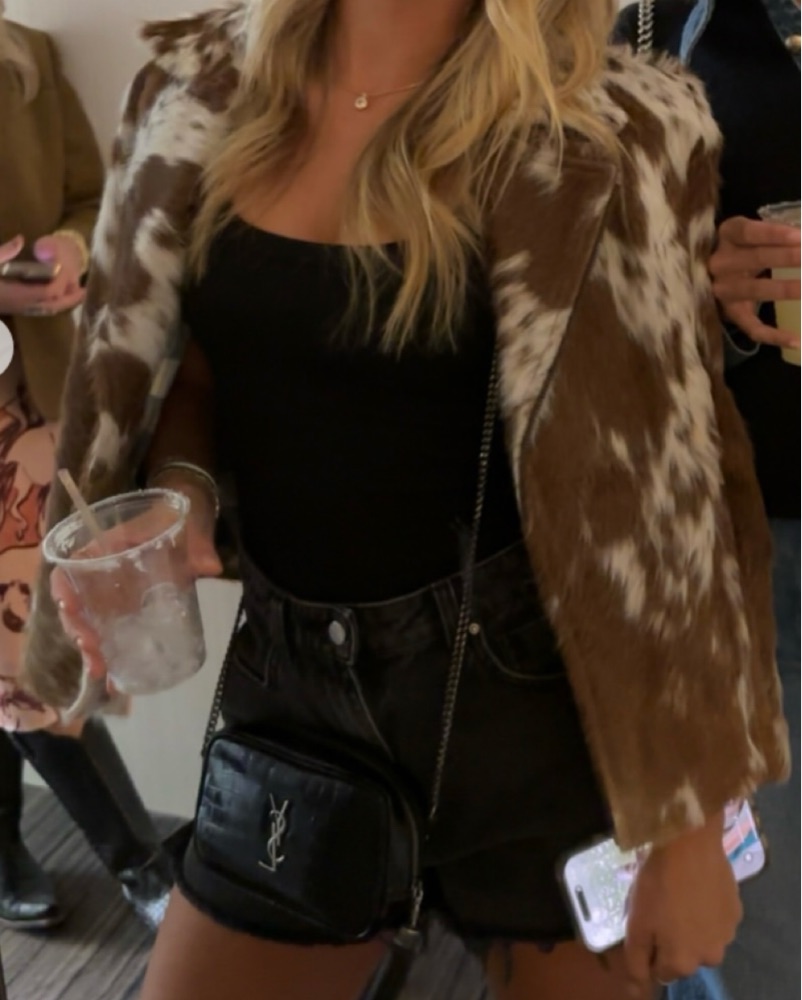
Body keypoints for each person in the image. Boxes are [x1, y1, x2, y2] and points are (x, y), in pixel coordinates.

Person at [27, 1, 790, 998]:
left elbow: (670, 490)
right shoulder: (193, 91)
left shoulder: (615, 123)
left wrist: (687, 825)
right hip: (293, 684)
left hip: (538, 702)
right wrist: (183, 491)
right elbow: (200, 368)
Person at [615, 3, 800, 999]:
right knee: (754, 938)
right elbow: (599, 312)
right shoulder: (652, 30)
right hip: (745, 546)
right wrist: (703, 289)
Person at [0, 11, 172, 931]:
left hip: (25, 400)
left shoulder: (23, 56)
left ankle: (133, 862)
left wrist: (67, 250)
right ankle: (140, 864)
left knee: (32, 649)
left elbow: (85, 195)